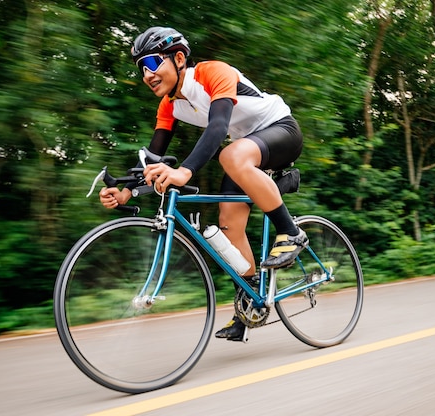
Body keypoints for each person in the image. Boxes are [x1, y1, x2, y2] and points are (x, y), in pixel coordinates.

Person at [99, 26, 307, 341]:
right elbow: (154, 158)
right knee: (228, 224)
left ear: (179, 58)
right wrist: (127, 190)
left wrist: (185, 171)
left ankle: (291, 232)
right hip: (247, 148)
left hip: (281, 129)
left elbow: (218, 125)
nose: (147, 74)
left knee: (230, 155)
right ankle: (251, 302)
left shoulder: (212, 73)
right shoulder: (168, 106)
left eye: (153, 64)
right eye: (142, 68)